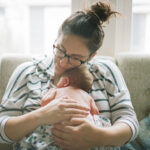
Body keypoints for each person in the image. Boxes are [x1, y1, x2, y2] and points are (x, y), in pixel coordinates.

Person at [0, 1, 139, 150]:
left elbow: (129, 121)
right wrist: (42, 115)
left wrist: (97, 136)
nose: (63, 62)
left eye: (75, 57)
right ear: (56, 38)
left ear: (91, 56)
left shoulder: (106, 71)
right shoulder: (27, 72)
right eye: (60, 49)